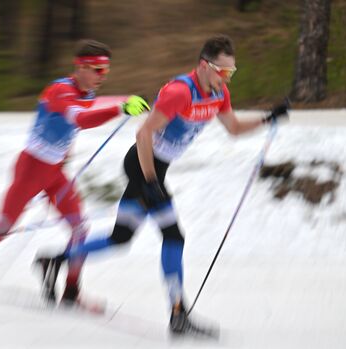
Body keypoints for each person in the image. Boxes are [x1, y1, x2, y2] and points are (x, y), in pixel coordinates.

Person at [36, 35, 289, 335]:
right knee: (174, 236)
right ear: (203, 66)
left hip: (156, 170)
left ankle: (54, 259)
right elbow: (143, 135)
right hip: (143, 165)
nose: (226, 78)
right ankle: (178, 313)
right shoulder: (180, 92)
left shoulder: (219, 94)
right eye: (222, 71)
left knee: (121, 237)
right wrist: (151, 181)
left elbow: (233, 128)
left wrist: (267, 118)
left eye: (230, 72)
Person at [0, 39, 150, 305]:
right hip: (31, 169)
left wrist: (127, 99)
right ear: (81, 67)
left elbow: (93, 105)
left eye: (106, 71)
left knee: (80, 229)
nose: (102, 77)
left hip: (54, 173)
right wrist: (121, 108)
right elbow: (81, 119)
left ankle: (72, 292)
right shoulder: (59, 91)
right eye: (98, 70)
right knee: (4, 227)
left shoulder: (84, 93)